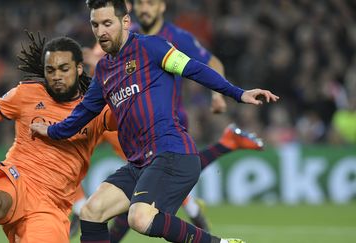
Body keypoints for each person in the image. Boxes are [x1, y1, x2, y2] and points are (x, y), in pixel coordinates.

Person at [30, 1, 279, 243]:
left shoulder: (152, 47)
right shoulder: (104, 70)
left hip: (171, 152)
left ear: (125, 21)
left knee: (139, 217)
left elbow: (194, 68)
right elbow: (82, 114)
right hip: (139, 164)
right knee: (91, 212)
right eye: (95, 25)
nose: (101, 31)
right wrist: (51, 131)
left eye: (107, 23)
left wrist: (238, 93)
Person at [0, 33, 117, 243]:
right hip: (17, 177)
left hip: (51, 204)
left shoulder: (96, 110)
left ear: (79, 69)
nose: (56, 76)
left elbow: (132, 116)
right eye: (50, 70)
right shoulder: (26, 94)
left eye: (64, 69)